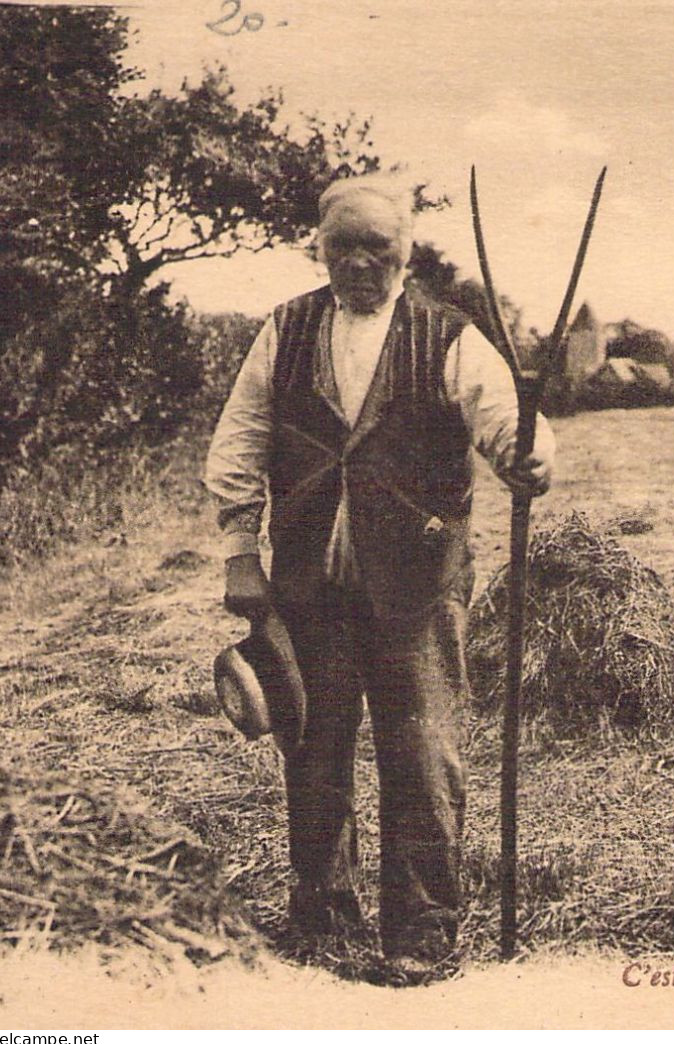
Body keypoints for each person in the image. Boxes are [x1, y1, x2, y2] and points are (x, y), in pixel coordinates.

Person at [202, 174, 554, 976]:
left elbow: (500, 417)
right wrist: (239, 553)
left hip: (417, 586)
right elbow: (240, 440)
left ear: (407, 254)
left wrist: (526, 458)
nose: (360, 263)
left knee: (423, 756)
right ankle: (322, 917)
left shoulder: (448, 335)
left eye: (379, 248)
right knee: (314, 752)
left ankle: (422, 933)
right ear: (318, 248)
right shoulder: (284, 331)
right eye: (343, 247)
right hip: (307, 587)